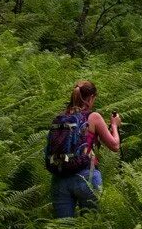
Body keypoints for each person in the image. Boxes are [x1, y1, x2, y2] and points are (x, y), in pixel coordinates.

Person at [45, 80, 120, 218]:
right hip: (87, 176)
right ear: (91, 98)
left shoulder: (60, 118)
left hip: (59, 178)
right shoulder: (93, 117)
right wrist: (114, 125)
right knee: (90, 226)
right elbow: (114, 145)